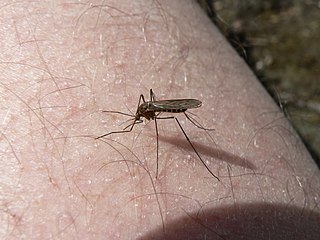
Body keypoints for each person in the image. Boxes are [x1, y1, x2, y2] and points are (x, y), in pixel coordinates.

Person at [0, 1, 319, 239]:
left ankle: (198, 139)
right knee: (148, 104)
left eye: (140, 117)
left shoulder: (151, 111)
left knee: (177, 120)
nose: (140, 119)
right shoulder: (142, 111)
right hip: (155, 105)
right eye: (141, 117)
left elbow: (155, 111)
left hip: (173, 107)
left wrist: (157, 116)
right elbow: (139, 114)